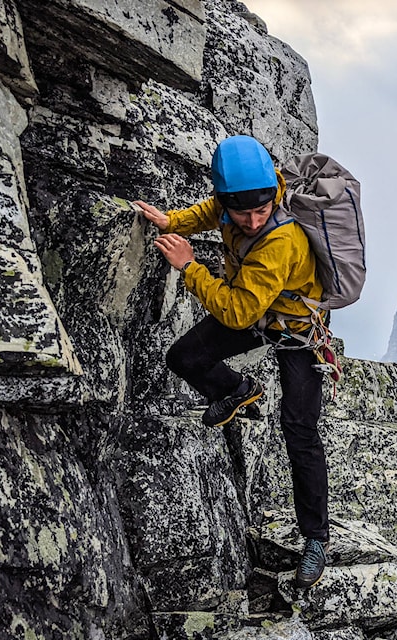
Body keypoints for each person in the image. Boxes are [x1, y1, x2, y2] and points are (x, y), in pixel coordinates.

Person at [134, 135, 329, 589]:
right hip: (259, 307)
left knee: (299, 429)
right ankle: (238, 391)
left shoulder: (279, 240)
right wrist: (172, 220)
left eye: (261, 210)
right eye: (243, 213)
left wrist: (189, 267)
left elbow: (240, 313)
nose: (253, 219)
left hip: (298, 330)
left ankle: (315, 540)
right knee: (183, 357)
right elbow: (212, 211)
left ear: (274, 194)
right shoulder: (237, 201)